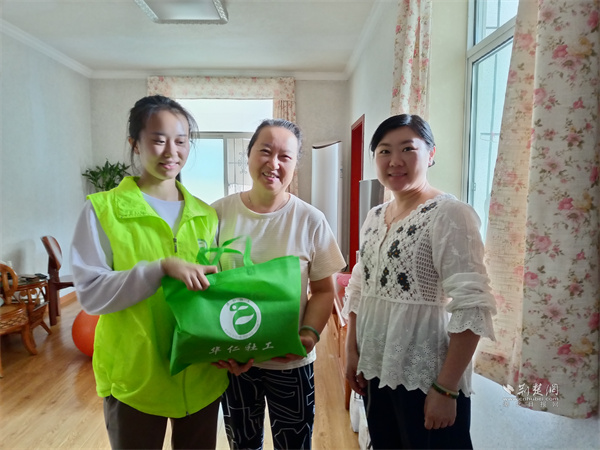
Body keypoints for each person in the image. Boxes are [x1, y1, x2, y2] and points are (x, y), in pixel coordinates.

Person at [70, 95, 228, 449]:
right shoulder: (103, 210)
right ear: (135, 144)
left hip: (200, 376)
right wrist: (159, 270)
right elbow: (91, 294)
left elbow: (214, 291)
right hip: (135, 378)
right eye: (158, 140)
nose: (171, 151)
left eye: (181, 141)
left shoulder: (206, 215)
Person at [344, 114, 496, 449]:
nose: (394, 161)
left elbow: (472, 306)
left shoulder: (450, 214)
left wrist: (446, 388)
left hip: (427, 379)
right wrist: (351, 350)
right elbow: (360, 286)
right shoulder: (374, 217)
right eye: (384, 151)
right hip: (376, 370)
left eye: (408, 149)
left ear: (430, 154)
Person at [211, 119, 346, 449]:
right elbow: (208, 289)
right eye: (265, 151)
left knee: (294, 443)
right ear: (248, 155)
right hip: (236, 361)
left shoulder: (310, 219)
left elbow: (324, 290)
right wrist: (216, 346)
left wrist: (309, 336)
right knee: (242, 443)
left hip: (291, 361)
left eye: (285, 156)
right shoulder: (218, 214)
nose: (274, 163)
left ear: (295, 164)